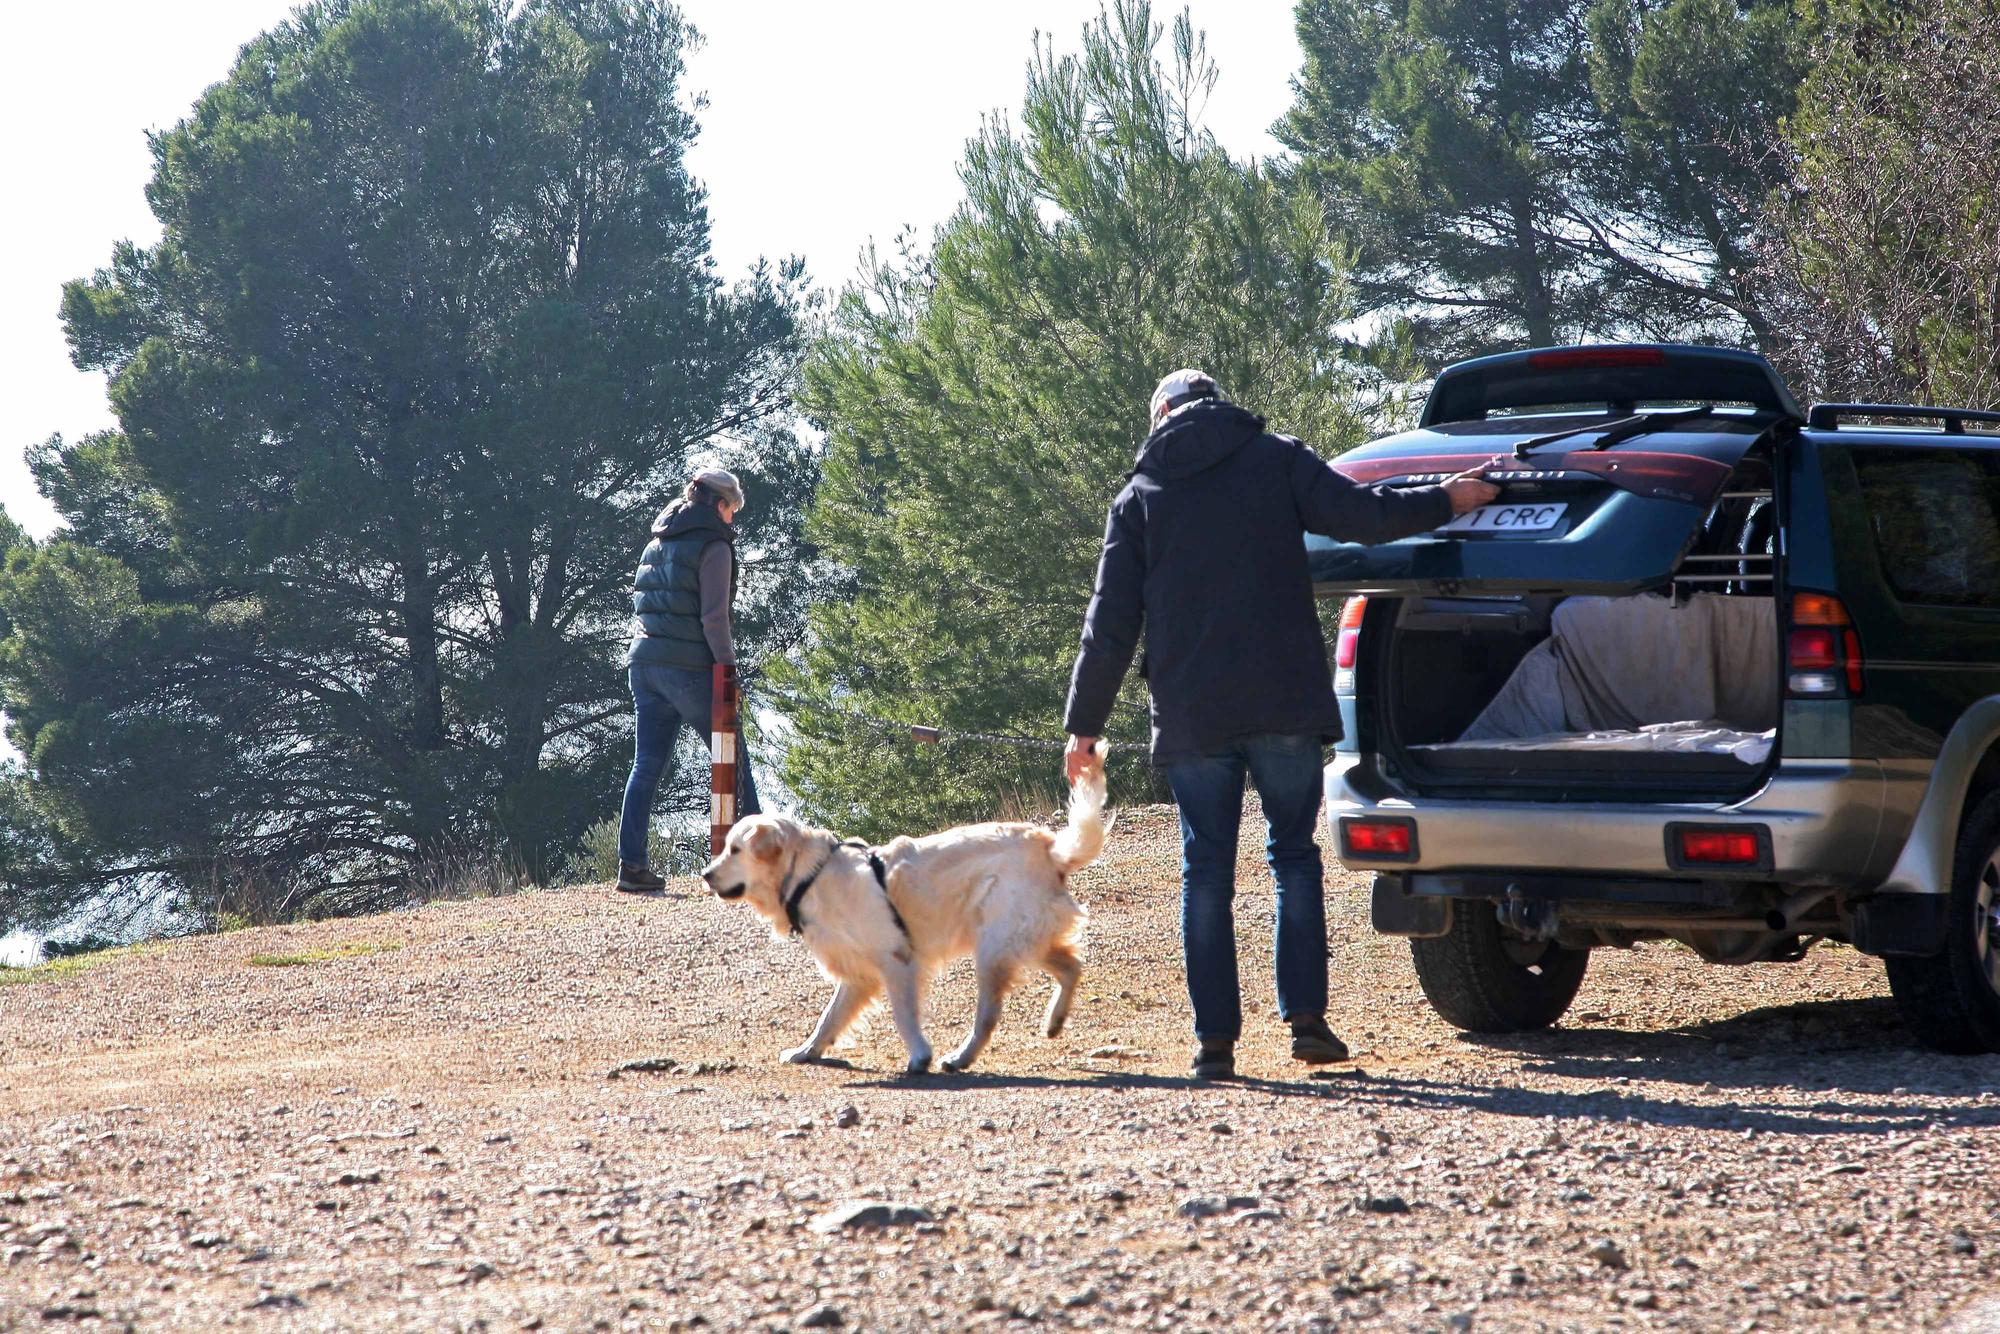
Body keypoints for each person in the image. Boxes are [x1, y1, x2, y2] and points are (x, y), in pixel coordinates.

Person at [1062, 370, 1499, 1078]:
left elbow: (1107, 626)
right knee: (1293, 859)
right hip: (1284, 702)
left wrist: (1083, 727)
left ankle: (1215, 1046)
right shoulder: (1276, 458)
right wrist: (1450, 497)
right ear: (1216, 402)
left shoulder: (1139, 498)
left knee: (1205, 872)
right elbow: (1363, 517)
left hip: (1194, 715)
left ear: (1162, 415)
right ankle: (1307, 1023)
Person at [617, 467, 762, 894]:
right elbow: (714, 619)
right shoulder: (714, 545)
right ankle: (756, 865)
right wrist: (728, 670)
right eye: (732, 510)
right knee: (731, 760)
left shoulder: (656, 541)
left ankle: (632, 866)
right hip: (691, 671)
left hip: (644, 666)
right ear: (719, 505)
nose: (732, 519)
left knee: (646, 766)